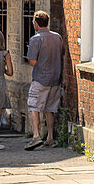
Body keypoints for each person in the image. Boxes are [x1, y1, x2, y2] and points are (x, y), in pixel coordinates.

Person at [25, 10, 64, 150]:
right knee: (50, 109)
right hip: (56, 78)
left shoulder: (36, 39)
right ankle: (50, 138)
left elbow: (33, 61)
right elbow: (61, 54)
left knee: (34, 106)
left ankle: (36, 136)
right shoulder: (57, 37)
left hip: (41, 78)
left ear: (36, 23)